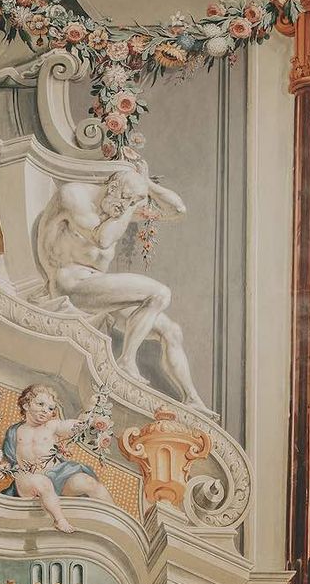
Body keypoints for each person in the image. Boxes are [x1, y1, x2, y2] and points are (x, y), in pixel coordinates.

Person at [35, 165, 205, 405]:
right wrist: (130, 207)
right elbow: (102, 239)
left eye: (131, 202)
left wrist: (147, 185)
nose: (126, 206)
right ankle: (127, 361)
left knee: (171, 331)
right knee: (159, 293)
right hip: (70, 282)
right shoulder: (74, 195)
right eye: (125, 199)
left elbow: (177, 210)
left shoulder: (121, 207)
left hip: (96, 288)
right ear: (112, 187)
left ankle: (192, 399)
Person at [0, 383, 109, 533]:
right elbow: (8, 457)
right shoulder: (14, 431)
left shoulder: (52, 426)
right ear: (26, 405)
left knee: (87, 481)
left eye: (50, 408)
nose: (45, 410)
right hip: (27, 480)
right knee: (41, 482)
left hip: (57, 476)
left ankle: (114, 516)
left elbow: (78, 427)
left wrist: (90, 407)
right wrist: (4, 465)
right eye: (40, 404)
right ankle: (60, 521)